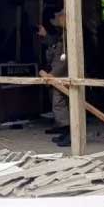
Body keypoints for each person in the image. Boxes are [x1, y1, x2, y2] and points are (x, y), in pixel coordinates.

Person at [39, 9, 70, 148]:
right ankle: (65, 132)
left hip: (63, 75)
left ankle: (70, 134)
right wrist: (45, 36)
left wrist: (53, 74)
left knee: (60, 104)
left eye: (59, 17)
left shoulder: (69, 35)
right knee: (61, 103)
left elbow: (64, 59)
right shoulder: (63, 33)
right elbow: (55, 46)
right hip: (60, 74)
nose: (57, 21)